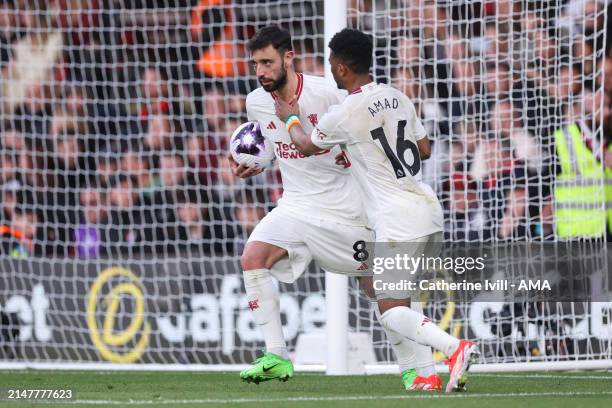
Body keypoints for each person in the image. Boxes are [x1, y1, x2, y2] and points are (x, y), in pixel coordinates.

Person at [230, 25, 441, 391]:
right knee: (252, 258)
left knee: (382, 291)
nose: (260, 71)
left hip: (347, 210)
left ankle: (419, 367)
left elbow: (361, 135)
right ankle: (277, 356)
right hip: (296, 206)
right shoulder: (256, 102)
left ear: (288, 57)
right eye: (255, 64)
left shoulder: (329, 94)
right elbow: (274, 146)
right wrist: (254, 165)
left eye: (267, 62)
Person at [274, 28, 479, 393]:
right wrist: (367, 153)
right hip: (428, 210)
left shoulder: (344, 113)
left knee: (390, 308)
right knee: (403, 301)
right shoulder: (398, 96)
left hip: (397, 220)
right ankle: (425, 376)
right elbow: (425, 148)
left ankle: (454, 348)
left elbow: (304, 145)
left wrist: (290, 116)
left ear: (339, 68)